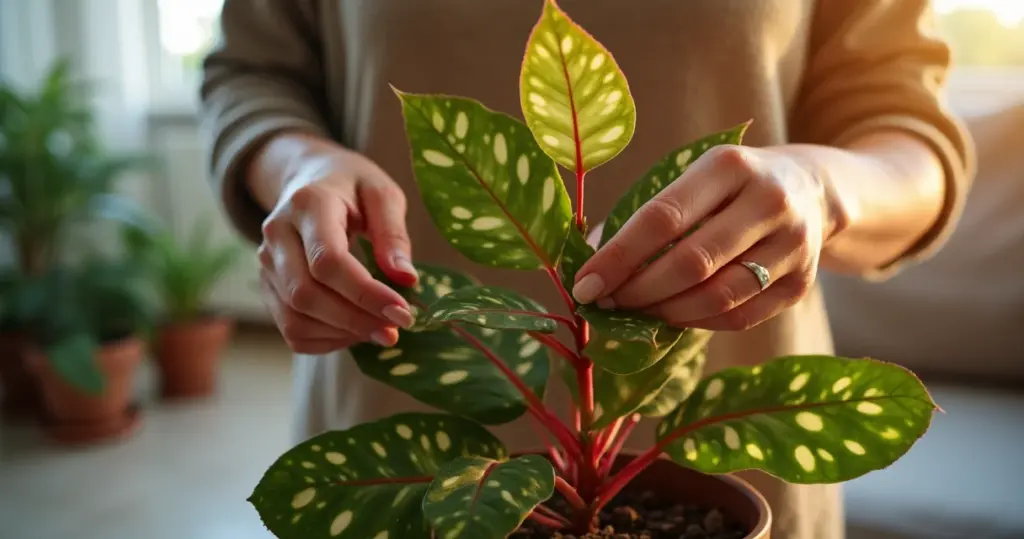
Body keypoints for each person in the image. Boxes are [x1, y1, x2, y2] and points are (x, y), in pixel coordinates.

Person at [199, 1, 974, 538]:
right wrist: (299, 165)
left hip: (726, 492)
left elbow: (908, 136)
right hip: (410, 469)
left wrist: (822, 187)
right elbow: (252, 73)